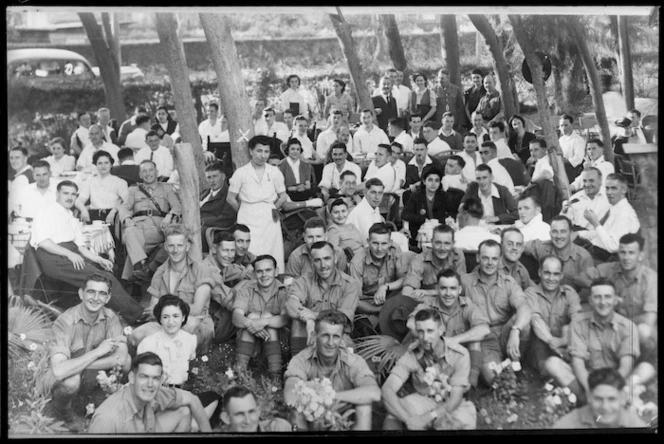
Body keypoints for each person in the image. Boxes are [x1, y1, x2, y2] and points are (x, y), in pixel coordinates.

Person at [29, 181, 143, 324]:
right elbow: (43, 242)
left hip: (70, 253)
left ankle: (118, 315)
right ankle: (136, 315)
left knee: (105, 272)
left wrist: (99, 259)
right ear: (57, 194)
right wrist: (69, 254)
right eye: (65, 193)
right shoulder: (47, 212)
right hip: (53, 257)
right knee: (102, 279)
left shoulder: (70, 216)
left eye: (73, 194)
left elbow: (81, 247)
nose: (70, 197)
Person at [42, 273, 131, 424]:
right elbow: (59, 370)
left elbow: (121, 358)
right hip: (61, 377)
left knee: (127, 361)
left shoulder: (111, 318)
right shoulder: (65, 322)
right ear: (81, 293)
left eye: (102, 293)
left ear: (107, 298)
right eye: (91, 292)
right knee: (72, 381)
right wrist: (98, 352)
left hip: (84, 371)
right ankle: (61, 411)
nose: (96, 298)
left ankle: (97, 398)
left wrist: (83, 365)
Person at [575, 234, 657, 386]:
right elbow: (580, 278)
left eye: (631, 253)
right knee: (582, 317)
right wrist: (602, 287)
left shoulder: (650, 279)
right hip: (608, 323)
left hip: (633, 328)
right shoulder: (610, 269)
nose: (626, 257)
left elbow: (649, 319)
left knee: (644, 330)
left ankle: (637, 372)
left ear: (641, 256)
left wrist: (617, 308)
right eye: (623, 252)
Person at [284, 309, 380, 431]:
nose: (330, 342)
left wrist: (331, 396)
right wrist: (317, 398)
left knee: (364, 406)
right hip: (312, 419)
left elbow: (374, 393)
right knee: (296, 408)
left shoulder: (353, 361)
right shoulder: (301, 359)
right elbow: (289, 396)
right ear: (314, 336)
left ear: (342, 339)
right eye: (325, 335)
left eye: (335, 337)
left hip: (344, 420)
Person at [382, 308, 477, 430]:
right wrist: (409, 420)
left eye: (430, 331)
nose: (425, 338)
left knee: (452, 424)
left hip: (452, 404)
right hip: (425, 400)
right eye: (420, 331)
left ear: (441, 330)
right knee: (393, 413)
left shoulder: (459, 354)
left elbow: (455, 399)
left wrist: (425, 418)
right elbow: (387, 389)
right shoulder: (413, 353)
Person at [130, 224, 216, 355]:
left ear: (187, 247)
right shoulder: (160, 273)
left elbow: (197, 308)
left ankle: (171, 360)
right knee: (136, 335)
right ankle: (162, 358)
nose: (175, 250)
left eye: (180, 246)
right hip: (167, 322)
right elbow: (154, 309)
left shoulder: (201, 269)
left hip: (196, 321)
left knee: (187, 326)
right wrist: (168, 316)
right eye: (171, 246)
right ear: (165, 247)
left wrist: (166, 311)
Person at [460, 239, 531, 386]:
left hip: (506, 333)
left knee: (523, 321)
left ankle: (516, 361)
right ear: (478, 258)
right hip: (484, 339)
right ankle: (503, 370)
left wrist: (515, 331)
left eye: (494, 259)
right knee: (494, 379)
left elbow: (524, 307)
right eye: (485, 258)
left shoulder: (508, 282)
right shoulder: (465, 282)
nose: (490, 263)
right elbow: (445, 293)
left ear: (500, 260)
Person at [405, 270, 490, 388]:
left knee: (475, 340)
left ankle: (470, 384)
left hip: (456, 355)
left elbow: (484, 329)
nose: (448, 293)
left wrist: (453, 340)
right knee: (416, 344)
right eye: (444, 288)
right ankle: (429, 380)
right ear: (437, 289)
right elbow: (410, 324)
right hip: (433, 354)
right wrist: (433, 341)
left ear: (459, 290)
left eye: (453, 288)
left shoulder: (467, 304)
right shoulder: (429, 303)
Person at [88, 352, 212, 433]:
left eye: (155, 378)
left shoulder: (154, 391)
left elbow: (191, 398)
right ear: (132, 377)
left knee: (184, 412)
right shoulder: (108, 418)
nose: (150, 384)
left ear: (161, 380)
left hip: (147, 429)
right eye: (144, 376)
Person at [525, 255, 586, 404]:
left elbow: (577, 320)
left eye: (556, 274)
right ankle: (580, 394)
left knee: (569, 328)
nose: (551, 278)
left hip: (564, 340)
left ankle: (570, 382)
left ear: (562, 275)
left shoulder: (569, 292)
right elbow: (536, 321)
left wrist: (564, 340)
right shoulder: (531, 292)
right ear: (539, 272)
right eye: (547, 273)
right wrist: (555, 344)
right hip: (541, 344)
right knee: (547, 366)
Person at [285, 242, 361, 357]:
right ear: (311, 262)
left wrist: (314, 316)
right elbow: (290, 304)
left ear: (335, 258)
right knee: (297, 322)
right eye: (317, 260)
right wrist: (308, 320)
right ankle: (298, 368)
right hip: (310, 332)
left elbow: (342, 317)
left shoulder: (350, 284)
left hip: (337, 333)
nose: (323, 265)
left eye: (327, 258)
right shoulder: (304, 281)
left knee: (348, 351)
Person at [568, 278, 640, 397]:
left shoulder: (627, 326)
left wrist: (609, 391)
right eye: (597, 297)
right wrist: (591, 391)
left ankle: (613, 398)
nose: (603, 302)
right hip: (588, 377)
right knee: (553, 364)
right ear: (590, 301)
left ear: (615, 300)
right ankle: (589, 398)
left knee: (645, 369)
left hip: (616, 378)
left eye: (608, 297)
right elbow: (578, 364)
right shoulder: (578, 323)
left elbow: (625, 366)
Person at [227, 135, 288, 273]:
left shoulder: (274, 172)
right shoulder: (241, 173)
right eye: (259, 151)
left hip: (269, 218)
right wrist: (243, 211)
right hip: (248, 217)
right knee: (251, 250)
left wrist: (272, 208)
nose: (263, 155)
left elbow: (283, 196)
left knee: (273, 250)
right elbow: (230, 198)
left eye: (266, 152)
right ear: (251, 151)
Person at [118, 160, 181, 281]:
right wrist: (126, 219)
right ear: (140, 175)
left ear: (157, 172)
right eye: (144, 171)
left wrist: (169, 216)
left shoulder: (166, 188)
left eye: (151, 170)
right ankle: (140, 268)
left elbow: (177, 206)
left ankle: (133, 277)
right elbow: (124, 207)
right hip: (138, 225)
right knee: (130, 231)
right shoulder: (134, 190)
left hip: (158, 228)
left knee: (133, 241)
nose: (148, 174)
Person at [232, 254, 290, 379]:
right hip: (251, 340)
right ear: (254, 274)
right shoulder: (247, 289)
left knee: (266, 316)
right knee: (252, 317)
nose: (264, 275)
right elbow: (236, 317)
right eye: (259, 271)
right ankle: (240, 373)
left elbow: (285, 318)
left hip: (278, 342)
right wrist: (252, 324)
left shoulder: (284, 291)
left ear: (276, 271)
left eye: (268, 270)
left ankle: (275, 376)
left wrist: (263, 322)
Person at [349, 223, 407, 335]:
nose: (379, 249)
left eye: (384, 243)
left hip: (391, 299)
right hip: (368, 307)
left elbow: (406, 279)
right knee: (366, 330)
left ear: (390, 242)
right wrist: (381, 309)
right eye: (375, 243)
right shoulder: (357, 263)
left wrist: (384, 287)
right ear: (368, 241)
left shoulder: (395, 250)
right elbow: (354, 301)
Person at [574, 173, 640, 262]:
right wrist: (579, 234)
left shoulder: (624, 214)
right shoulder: (615, 207)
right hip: (595, 248)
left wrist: (595, 223)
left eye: (613, 188)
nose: (609, 192)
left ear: (624, 189)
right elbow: (603, 234)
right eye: (607, 188)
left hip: (603, 258)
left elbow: (613, 247)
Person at [552, 367, 647, 429]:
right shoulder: (568, 424)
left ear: (622, 398)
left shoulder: (634, 425)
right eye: (598, 399)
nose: (605, 407)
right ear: (589, 397)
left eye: (611, 399)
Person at [136, 295, 197, 388]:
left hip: (181, 392)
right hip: (155, 391)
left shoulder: (190, 340)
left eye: (176, 316)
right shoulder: (148, 344)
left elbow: (190, 368)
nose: (171, 322)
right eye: (165, 317)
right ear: (160, 319)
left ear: (183, 317)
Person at [523, 215, 594, 291]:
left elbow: (590, 289)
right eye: (555, 232)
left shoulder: (583, 257)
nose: (559, 236)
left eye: (563, 231)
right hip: (544, 297)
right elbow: (521, 246)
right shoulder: (542, 247)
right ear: (550, 233)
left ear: (570, 233)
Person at [402, 224, 467, 300]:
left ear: (453, 244)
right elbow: (407, 290)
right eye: (438, 243)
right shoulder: (420, 259)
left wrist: (431, 292)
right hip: (425, 304)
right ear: (432, 242)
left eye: (447, 243)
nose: (442, 248)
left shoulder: (457, 256)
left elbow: (462, 289)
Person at [401, 168, 453, 244]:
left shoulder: (444, 196)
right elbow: (405, 215)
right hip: (420, 233)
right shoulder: (415, 196)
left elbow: (452, 212)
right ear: (424, 181)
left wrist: (441, 221)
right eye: (430, 180)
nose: (433, 183)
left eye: (437, 181)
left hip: (440, 232)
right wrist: (423, 219)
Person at [76, 150, 129, 224]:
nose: (103, 166)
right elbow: (79, 201)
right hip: (93, 215)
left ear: (111, 165)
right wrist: (84, 210)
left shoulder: (119, 182)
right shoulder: (90, 182)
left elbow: (127, 200)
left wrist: (114, 211)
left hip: (112, 216)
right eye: (100, 163)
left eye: (106, 163)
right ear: (95, 165)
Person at [218, 385, 292, 432]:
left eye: (251, 412)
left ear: (258, 411)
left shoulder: (278, 428)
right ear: (226, 418)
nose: (248, 421)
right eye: (240, 414)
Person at [200, 161, 237, 253]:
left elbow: (226, 219)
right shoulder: (204, 193)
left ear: (223, 177)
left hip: (211, 230)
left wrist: (202, 221)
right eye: (209, 177)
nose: (212, 180)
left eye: (215, 176)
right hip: (195, 225)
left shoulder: (228, 194)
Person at [346, 178, 386, 243]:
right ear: (365, 192)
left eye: (380, 193)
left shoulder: (374, 208)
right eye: (373, 192)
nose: (377, 197)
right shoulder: (361, 212)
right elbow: (369, 241)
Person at [278, 137, 317, 202]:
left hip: (304, 191)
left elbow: (308, 185)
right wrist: (296, 188)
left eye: (298, 149)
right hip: (288, 194)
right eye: (293, 149)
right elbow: (281, 187)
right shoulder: (281, 165)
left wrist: (303, 187)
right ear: (288, 150)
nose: (295, 152)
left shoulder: (305, 165)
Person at [558, 114, 586, 182]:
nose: (563, 128)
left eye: (566, 125)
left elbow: (578, 159)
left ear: (572, 125)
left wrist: (563, 161)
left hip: (572, 170)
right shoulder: (560, 140)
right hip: (560, 167)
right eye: (561, 125)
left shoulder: (578, 140)